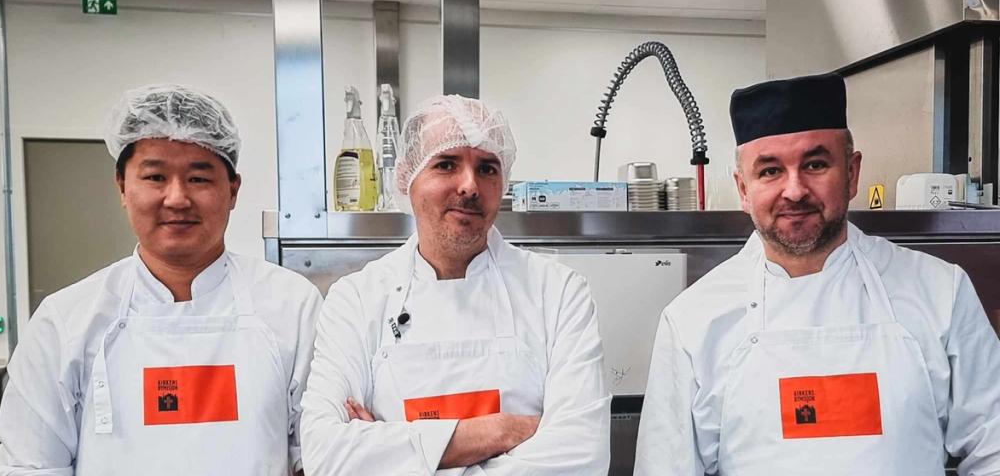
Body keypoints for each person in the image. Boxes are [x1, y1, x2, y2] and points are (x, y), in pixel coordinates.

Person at [634, 73, 1000, 475]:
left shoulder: (939, 292)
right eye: (770, 171)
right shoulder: (693, 320)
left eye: (815, 164)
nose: (795, 190)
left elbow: (993, 445)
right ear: (743, 188)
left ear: (852, 172)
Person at [0, 85, 322, 475]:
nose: (177, 198)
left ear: (233, 190)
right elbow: (30, 465)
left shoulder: (292, 306)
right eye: (155, 177)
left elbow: (318, 452)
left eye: (199, 179)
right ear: (122, 187)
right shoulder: (66, 320)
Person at [299, 95, 611, 474]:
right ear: (406, 178)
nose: (470, 185)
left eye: (488, 168)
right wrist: (501, 431)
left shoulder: (559, 293)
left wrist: (393, 450)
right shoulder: (357, 299)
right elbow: (326, 457)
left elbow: (580, 457)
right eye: (446, 164)